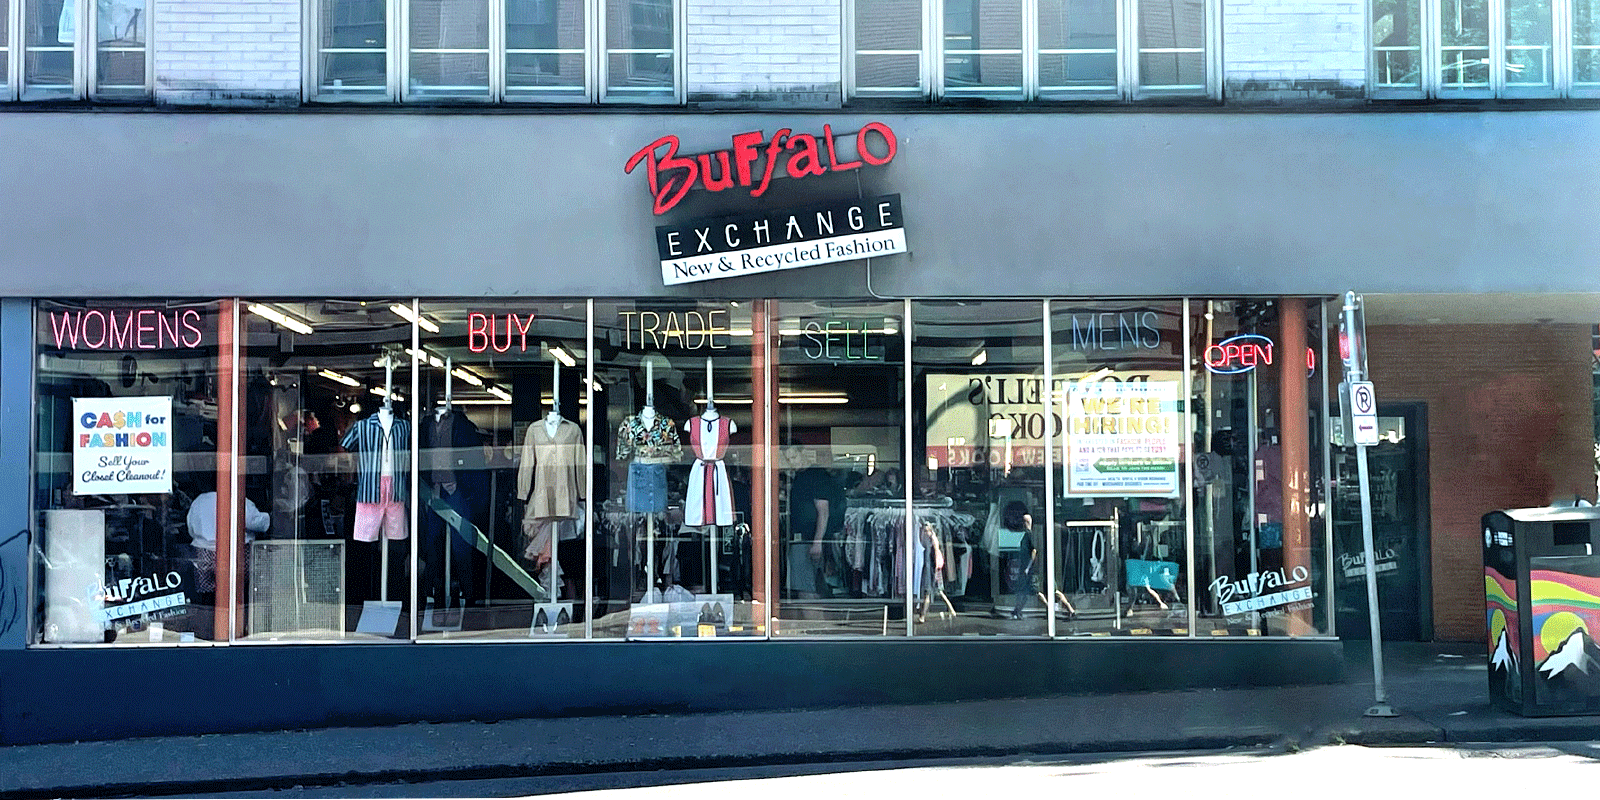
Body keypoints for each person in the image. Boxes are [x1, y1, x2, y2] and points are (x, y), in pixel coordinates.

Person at [1003, 500, 1076, 620]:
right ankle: (1017, 611)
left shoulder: (1029, 536)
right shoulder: (1033, 534)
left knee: (1037, 591)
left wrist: (1027, 567)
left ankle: (1050, 609)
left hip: (1033, 569)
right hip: (1041, 567)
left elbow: (1033, 551)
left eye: (1023, 522)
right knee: (1037, 591)